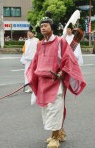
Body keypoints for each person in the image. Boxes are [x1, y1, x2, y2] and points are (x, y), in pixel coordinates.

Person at [26, 13, 86, 148]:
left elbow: (68, 59)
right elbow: (35, 62)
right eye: (41, 26)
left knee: (55, 108)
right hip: (42, 81)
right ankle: (58, 132)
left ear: (52, 27)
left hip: (55, 81)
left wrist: (62, 72)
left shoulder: (60, 41)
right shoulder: (40, 44)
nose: (43, 28)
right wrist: (31, 77)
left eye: (45, 25)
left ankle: (55, 138)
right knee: (47, 109)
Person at [20, 26, 39, 93]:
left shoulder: (37, 40)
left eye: (31, 32)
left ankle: (35, 87)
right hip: (27, 60)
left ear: (33, 33)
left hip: (34, 60)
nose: (29, 33)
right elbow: (24, 51)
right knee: (26, 73)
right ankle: (30, 87)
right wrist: (23, 59)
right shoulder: (26, 41)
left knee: (34, 73)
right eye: (29, 32)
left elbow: (39, 51)